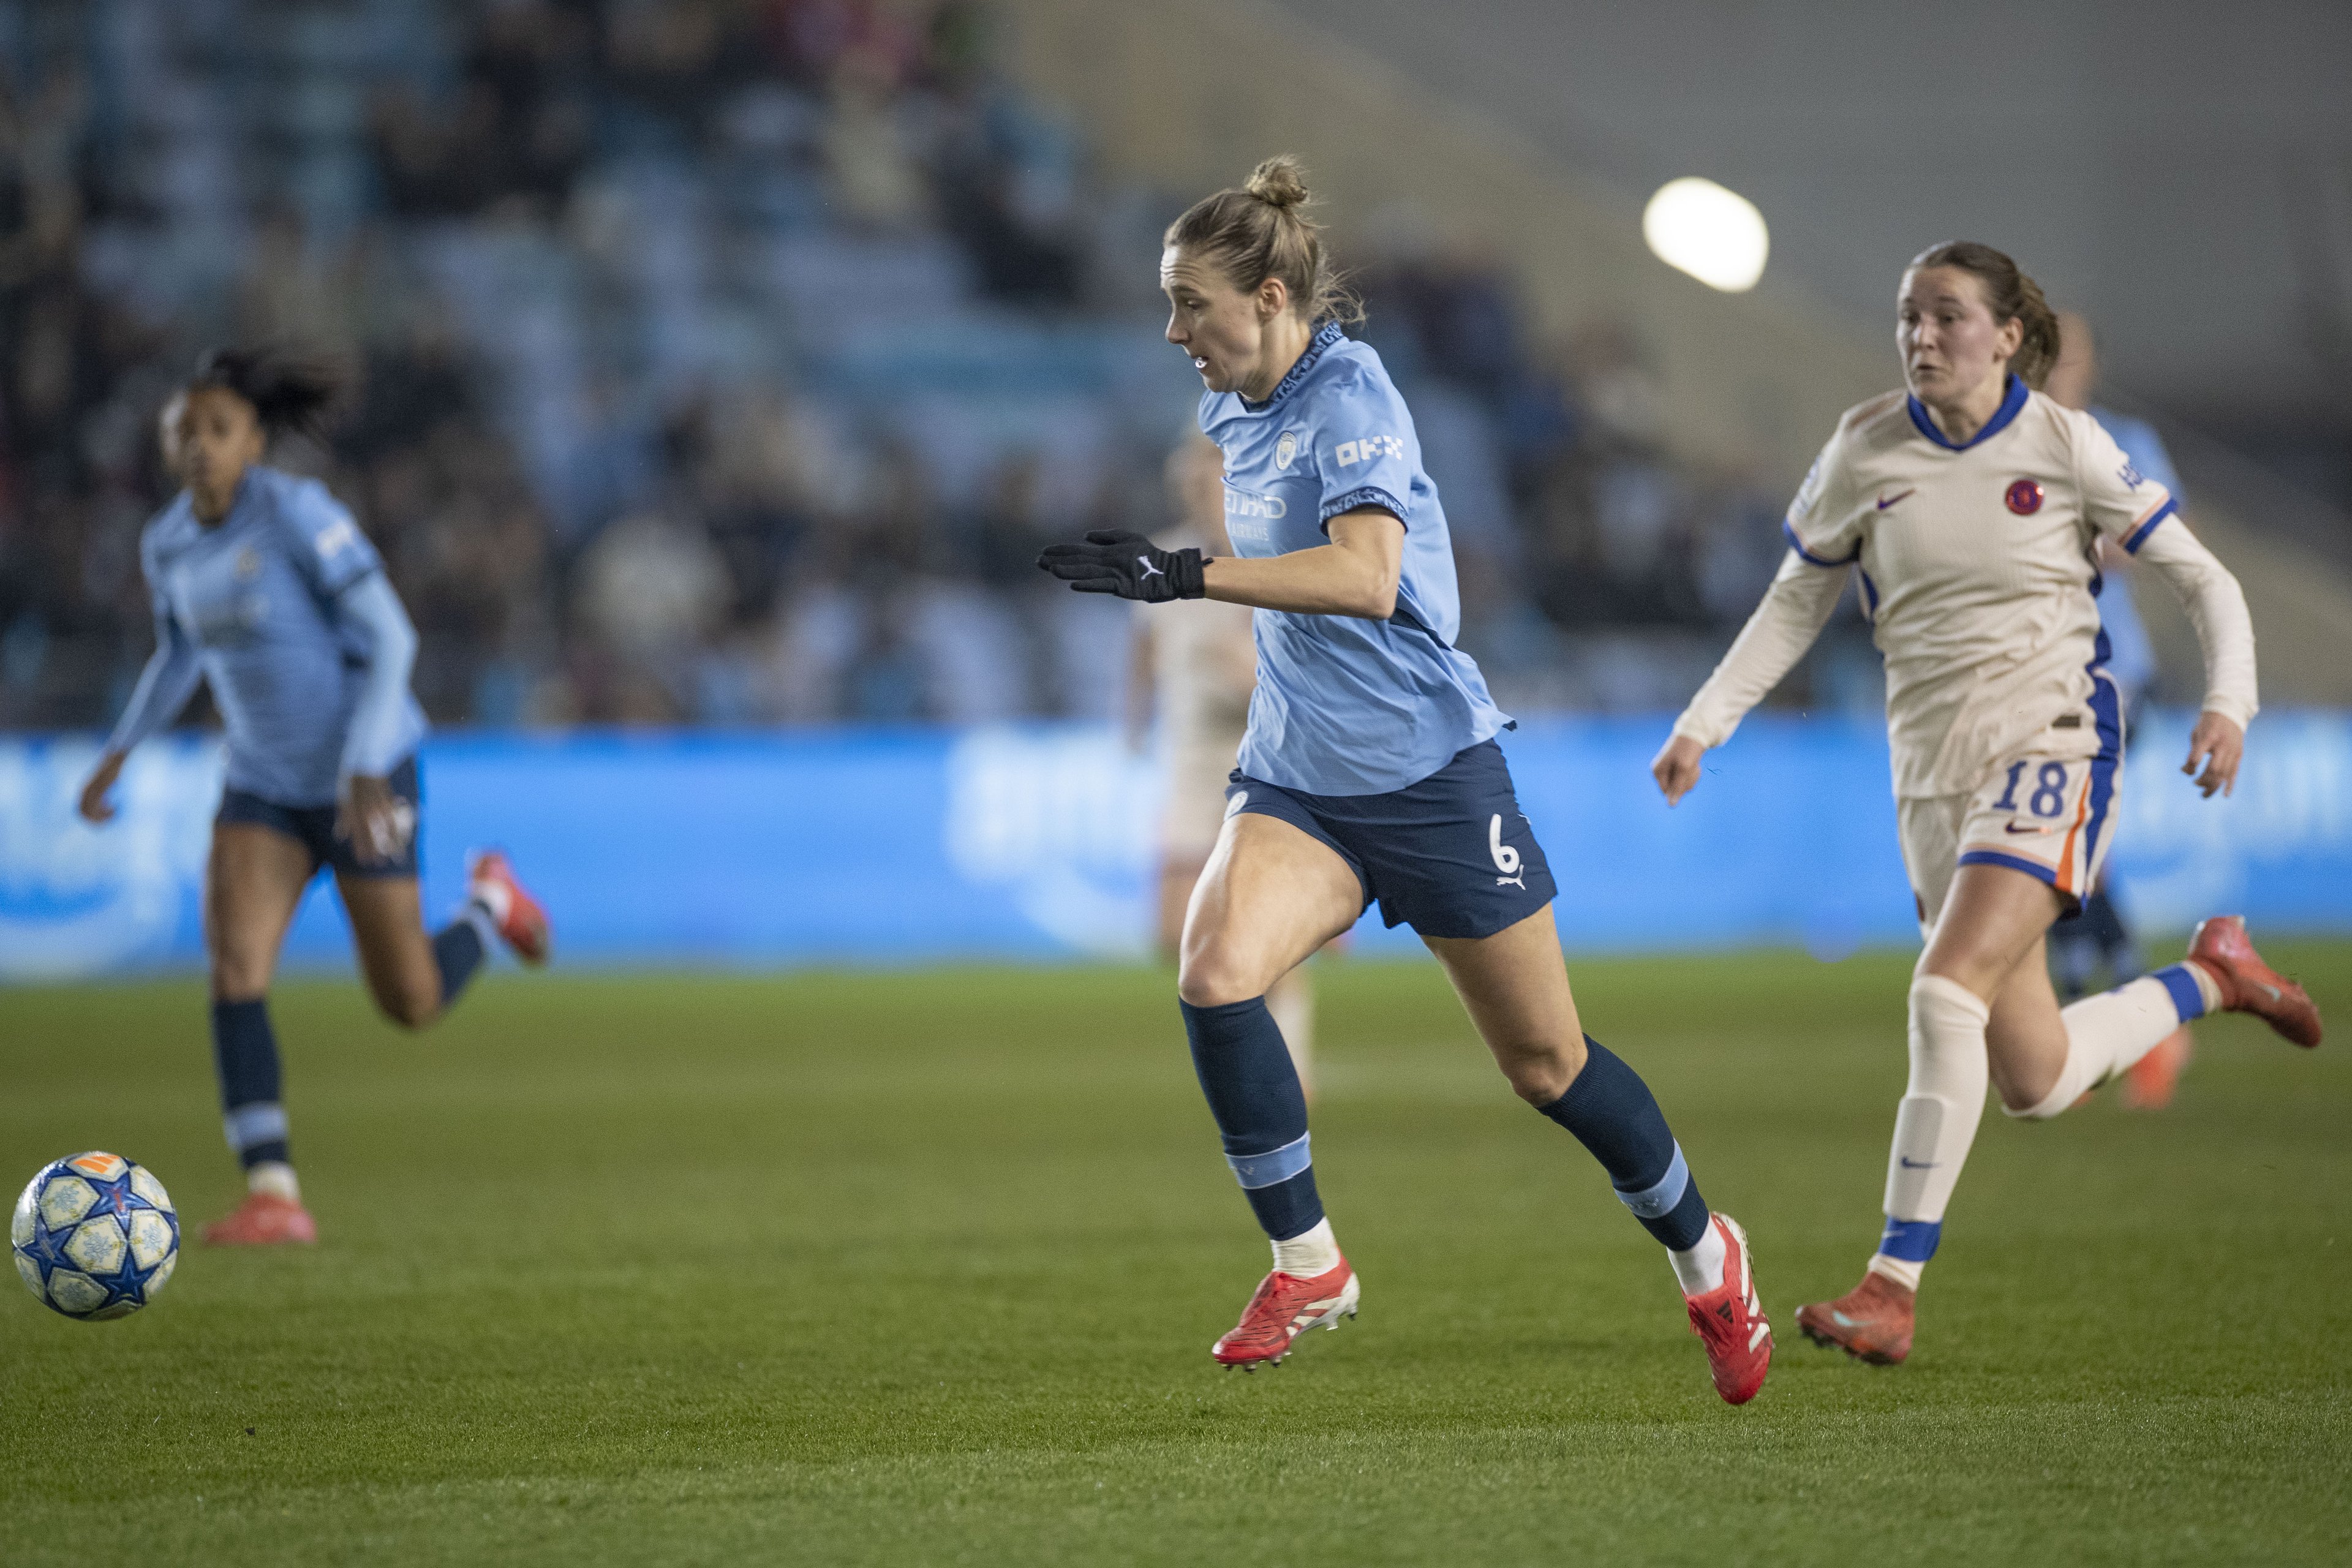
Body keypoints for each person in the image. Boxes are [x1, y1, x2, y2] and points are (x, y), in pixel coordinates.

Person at [1040, 157, 1771, 1403]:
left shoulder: (1350, 391)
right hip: (1302, 774)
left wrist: (1186, 576)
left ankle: (1709, 1252)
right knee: (1215, 972)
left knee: (1547, 1064)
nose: (1175, 333)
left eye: (1191, 306)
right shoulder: (1229, 413)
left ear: (1270, 296)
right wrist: (1187, 586)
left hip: (1433, 774)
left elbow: (1370, 576)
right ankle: (1309, 1260)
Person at [1653, 243, 2323, 1366]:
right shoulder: (1865, 446)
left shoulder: (2063, 445)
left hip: (2057, 741)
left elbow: (2206, 580)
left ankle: (1892, 1284)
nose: (1923, 337)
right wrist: (1703, 724)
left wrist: (2230, 703)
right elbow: (1793, 601)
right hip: (1929, 776)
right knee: (2036, 1077)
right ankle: (2216, 974)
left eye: (1949, 317)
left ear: (2009, 335)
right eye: (1908, 317)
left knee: (1944, 987)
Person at [77, 347, 551, 1247]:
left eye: (219, 430)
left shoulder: (299, 515)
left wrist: (365, 766)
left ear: (254, 439)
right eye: (186, 433)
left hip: (363, 777)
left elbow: (393, 639)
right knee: (234, 973)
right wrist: (119, 750)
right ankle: (273, 1192)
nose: (201, 447)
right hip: (262, 784)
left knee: (408, 1000)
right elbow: (180, 656)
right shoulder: (168, 541)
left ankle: (489, 906)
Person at [1128, 429, 1317, 1095]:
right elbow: (1145, 645)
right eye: (1193, 478)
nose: (1201, 488)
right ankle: (1258, 1029)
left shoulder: (1267, 562)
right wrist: (1133, 718)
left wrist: (1247, 676)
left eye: (1213, 476)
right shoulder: (1163, 558)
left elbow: (1301, 672)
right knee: (1171, 930)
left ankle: (1289, 1050)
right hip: (1188, 763)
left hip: (1257, 761)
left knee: (1258, 919)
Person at [2041, 313, 2187, 1106]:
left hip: (2108, 672)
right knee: (2058, 850)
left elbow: (2151, 536)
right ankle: (2096, 1019)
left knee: (2075, 845)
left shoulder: (2120, 438)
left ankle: (2141, 1010)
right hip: (2029, 676)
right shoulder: (2010, 441)